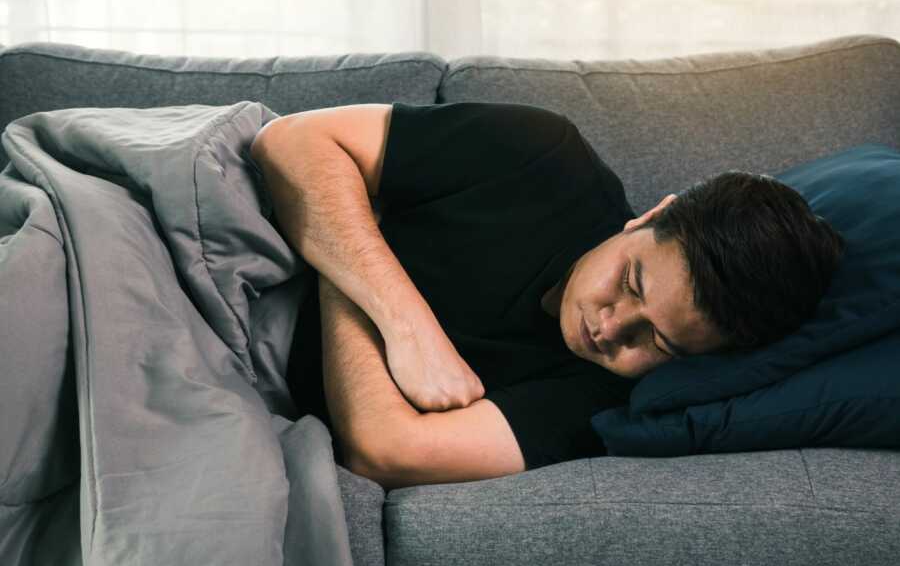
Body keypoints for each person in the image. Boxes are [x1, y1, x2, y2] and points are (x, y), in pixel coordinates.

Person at [250, 101, 845, 488]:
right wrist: (405, 324)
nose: (610, 329)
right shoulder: (542, 157)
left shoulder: (602, 401)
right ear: (650, 217)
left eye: (656, 341)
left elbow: (387, 452)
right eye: (628, 282)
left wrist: (343, 248)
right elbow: (290, 142)